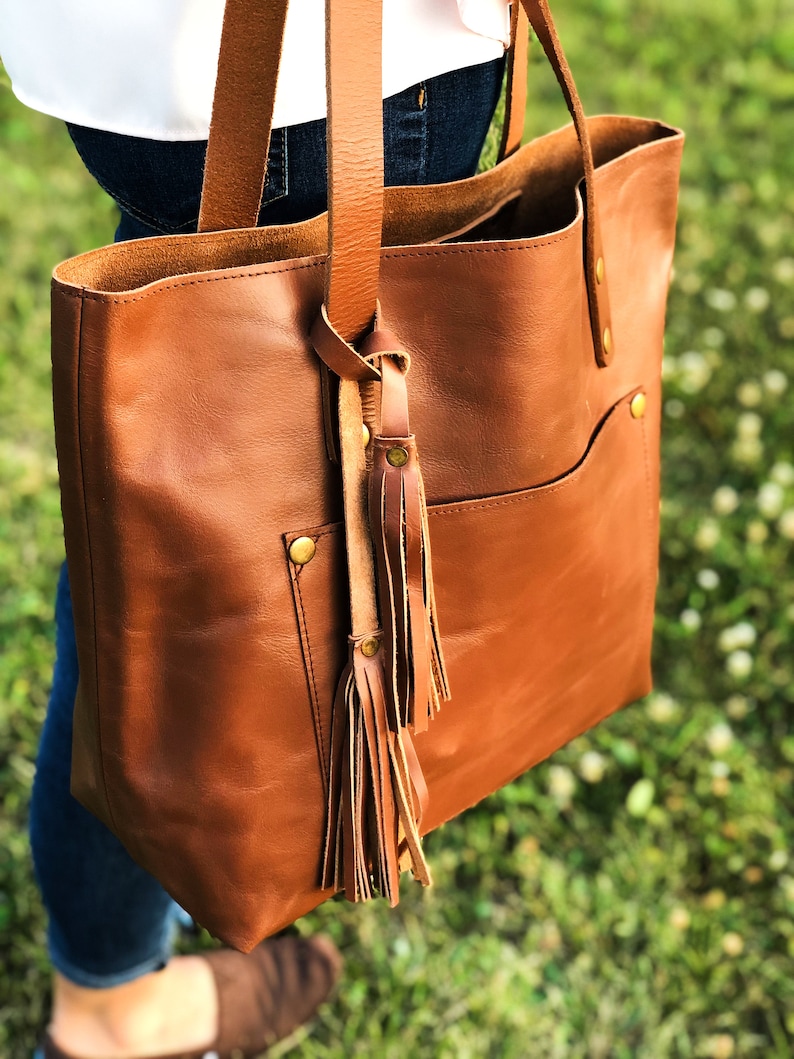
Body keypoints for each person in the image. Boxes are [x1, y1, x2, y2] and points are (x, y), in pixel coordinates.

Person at [0, 1, 511, 1056]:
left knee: (165, 546)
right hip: (336, 68)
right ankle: (115, 1011)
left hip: (136, 60)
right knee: (181, 565)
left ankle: (134, 947)